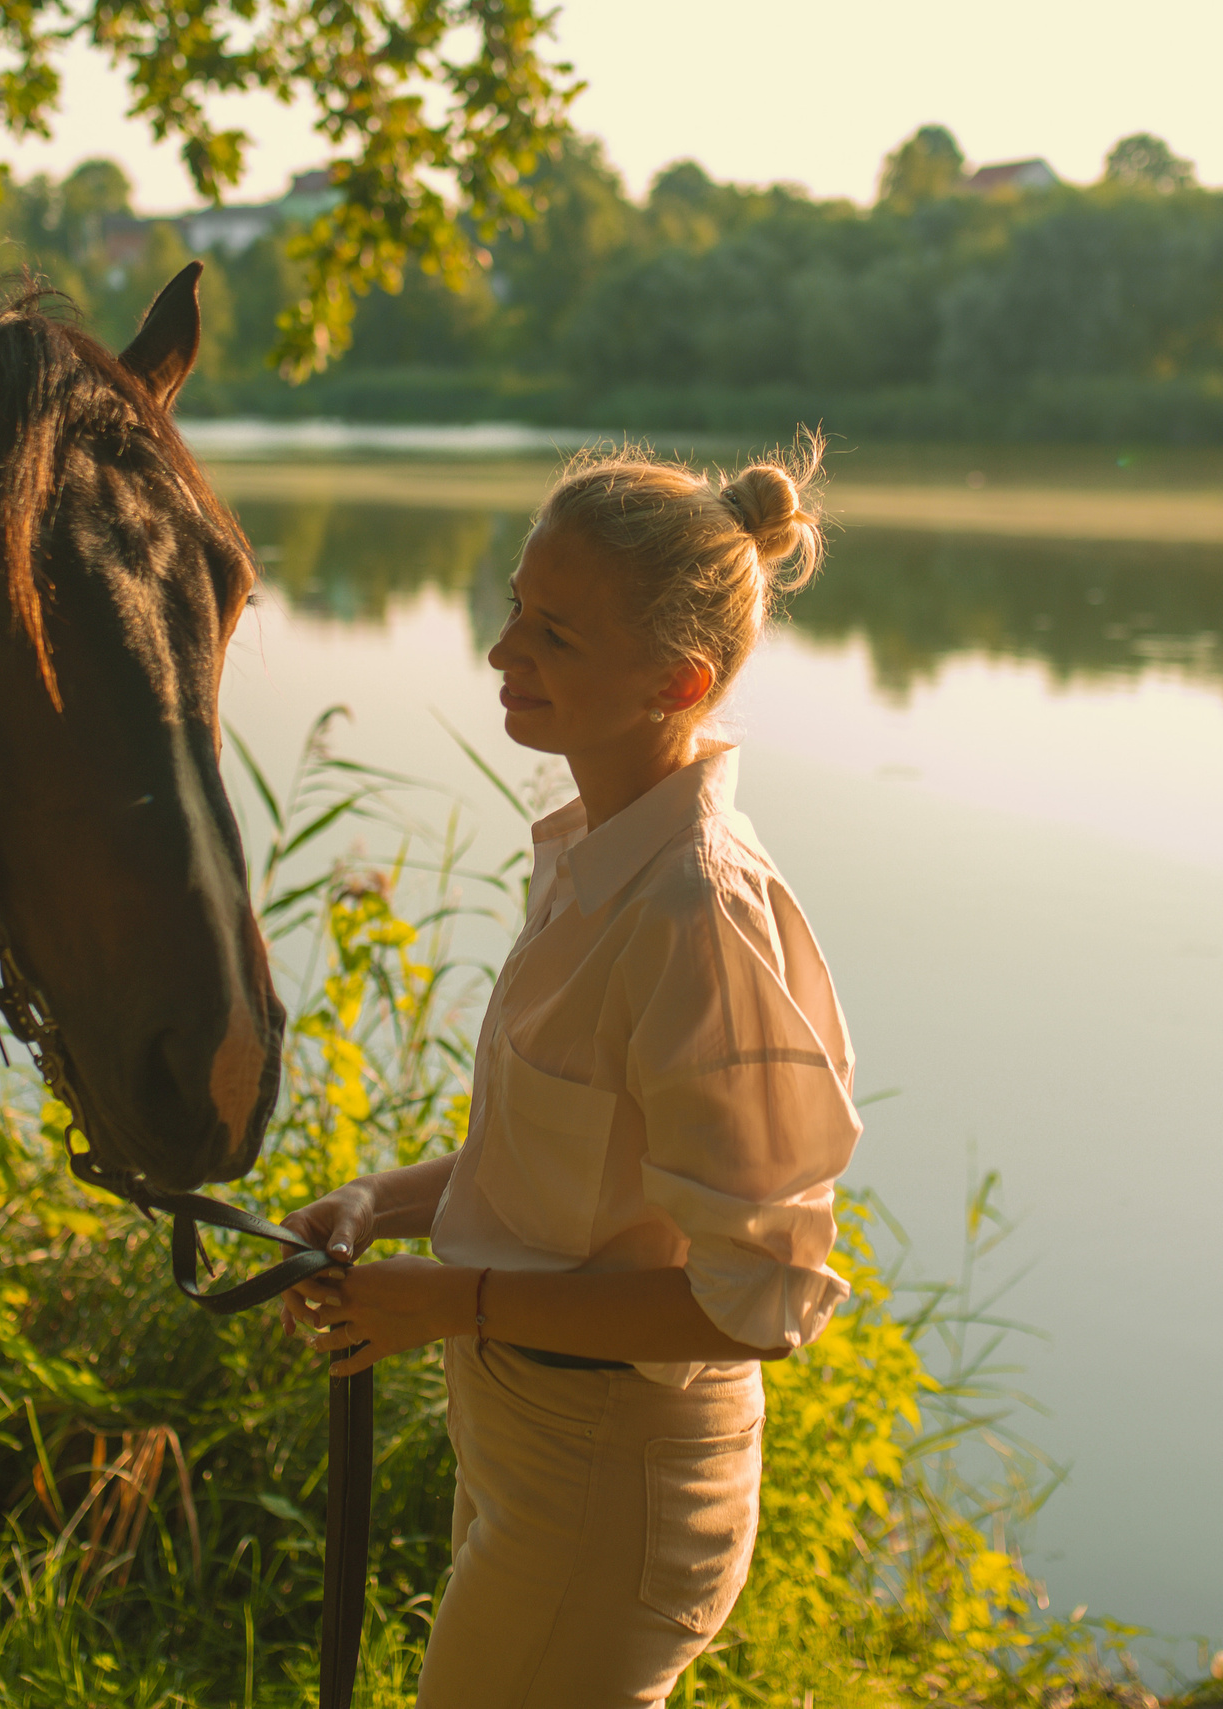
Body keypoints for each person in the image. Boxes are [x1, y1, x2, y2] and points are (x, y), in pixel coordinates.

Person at [280, 436, 863, 1709]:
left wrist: (443, 1303)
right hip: (534, 1450)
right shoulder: (596, 859)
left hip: (615, 1480)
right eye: (512, 609)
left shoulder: (689, 913)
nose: (501, 653)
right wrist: (380, 1204)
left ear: (677, 677)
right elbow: (569, 1172)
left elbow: (745, 1303)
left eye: (553, 632)